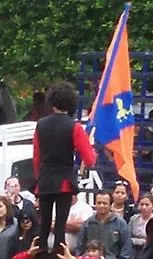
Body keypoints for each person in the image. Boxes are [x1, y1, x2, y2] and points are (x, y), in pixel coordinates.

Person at [33, 81, 96, 250]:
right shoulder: (74, 126)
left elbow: (36, 157)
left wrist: (40, 178)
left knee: (44, 228)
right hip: (64, 183)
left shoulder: (40, 125)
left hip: (45, 181)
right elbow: (90, 159)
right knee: (60, 228)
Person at [129, 194, 153, 259]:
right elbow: (128, 238)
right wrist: (142, 241)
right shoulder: (133, 219)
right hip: (136, 258)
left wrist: (138, 241)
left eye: (147, 204)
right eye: (142, 204)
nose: (144, 207)